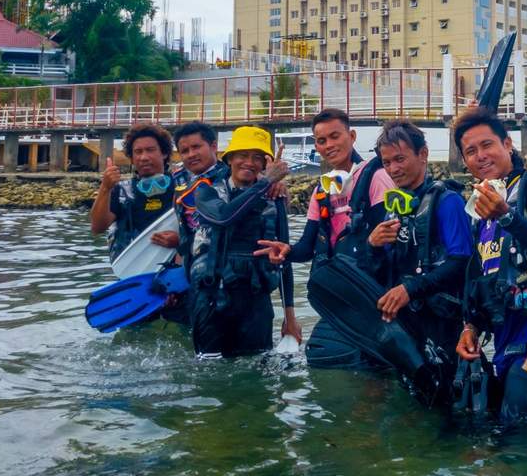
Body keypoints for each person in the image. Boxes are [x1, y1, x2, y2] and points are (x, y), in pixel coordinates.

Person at [452, 106, 527, 421]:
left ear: (507, 144)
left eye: (487, 145)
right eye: (471, 151)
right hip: (505, 329)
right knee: (499, 423)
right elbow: (481, 271)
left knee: (524, 423)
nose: (480, 156)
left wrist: (507, 216)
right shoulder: (480, 203)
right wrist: (471, 326)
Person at [253, 108, 394, 368]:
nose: (328, 145)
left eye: (335, 136)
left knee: (356, 364)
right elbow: (308, 247)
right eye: (321, 140)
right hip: (341, 293)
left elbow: (389, 240)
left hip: (374, 291)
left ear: (352, 136)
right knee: (321, 355)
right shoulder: (322, 190)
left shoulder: (376, 177)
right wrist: (287, 251)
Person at [367, 120, 471, 388]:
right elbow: (383, 270)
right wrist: (373, 247)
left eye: (400, 159)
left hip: (442, 322)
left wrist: (410, 289)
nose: (393, 169)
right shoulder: (394, 209)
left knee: (445, 393)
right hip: (406, 324)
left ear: (423, 154)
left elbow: (462, 262)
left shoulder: (448, 201)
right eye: (387, 162)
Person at [174, 121, 299, 344]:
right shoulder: (205, 191)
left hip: (256, 297)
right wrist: (266, 182)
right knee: (208, 362)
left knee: (258, 362)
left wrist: (290, 317)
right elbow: (224, 217)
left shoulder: (274, 198)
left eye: (257, 158)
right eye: (242, 155)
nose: (249, 163)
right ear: (229, 158)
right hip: (211, 295)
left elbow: (284, 259)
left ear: (265, 163)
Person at [90, 122, 180, 262]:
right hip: (134, 266)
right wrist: (105, 188)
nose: (144, 157)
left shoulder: (182, 188)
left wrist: (181, 240)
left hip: (175, 267)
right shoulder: (121, 191)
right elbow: (97, 227)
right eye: (138, 152)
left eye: (150, 150)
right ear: (131, 158)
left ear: (164, 153)